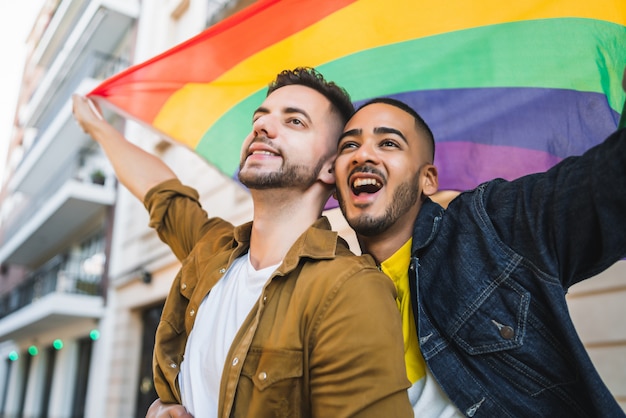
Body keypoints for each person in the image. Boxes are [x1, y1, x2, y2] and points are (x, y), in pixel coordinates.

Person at [72, 67, 413, 418]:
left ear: (330, 168)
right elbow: (161, 191)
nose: (261, 128)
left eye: (295, 121)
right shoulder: (211, 250)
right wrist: (96, 125)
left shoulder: (350, 289)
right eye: (260, 118)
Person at [333, 77, 626, 417]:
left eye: (389, 143)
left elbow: (610, 182)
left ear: (427, 179)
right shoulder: (332, 299)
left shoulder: (490, 228)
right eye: (348, 146)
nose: (363, 155)